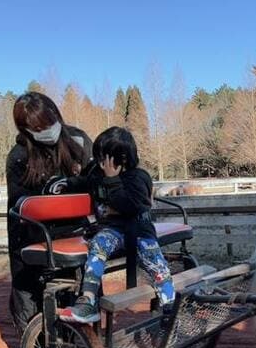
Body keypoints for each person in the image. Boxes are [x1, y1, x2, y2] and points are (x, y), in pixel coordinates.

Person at [58, 126, 175, 323]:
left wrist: (112, 180)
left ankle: (170, 308)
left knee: (158, 267)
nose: (98, 162)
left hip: (139, 231)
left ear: (117, 160)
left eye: (103, 157)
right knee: (98, 245)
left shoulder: (139, 177)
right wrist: (68, 183)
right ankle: (88, 300)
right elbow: (86, 182)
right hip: (113, 230)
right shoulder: (98, 174)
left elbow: (131, 206)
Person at [6, 92, 93, 333]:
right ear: (27, 130)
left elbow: (95, 177)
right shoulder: (19, 157)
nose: (49, 130)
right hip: (36, 235)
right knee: (30, 295)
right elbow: (19, 208)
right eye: (39, 127)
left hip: (77, 231)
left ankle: (83, 345)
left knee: (82, 288)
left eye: (51, 121)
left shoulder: (77, 140)